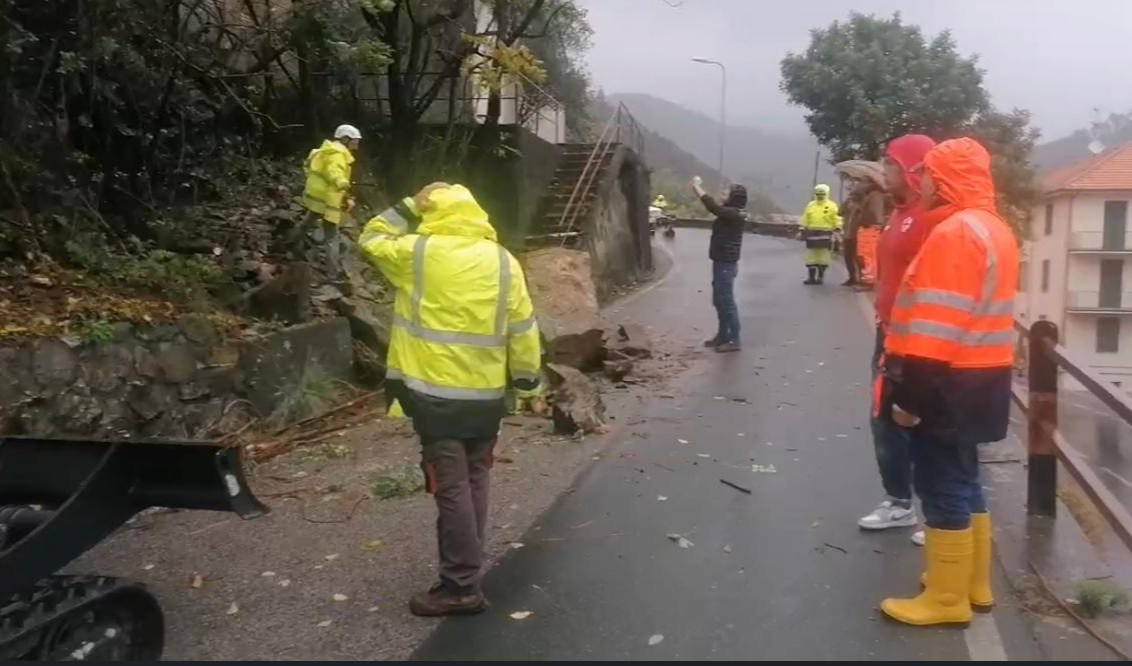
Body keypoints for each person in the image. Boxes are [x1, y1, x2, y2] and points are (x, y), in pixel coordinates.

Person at [358, 182, 543, 617]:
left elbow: (370, 238)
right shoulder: (504, 262)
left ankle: (460, 585)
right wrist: (529, 385)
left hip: (434, 397)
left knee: (452, 487)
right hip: (486, 399)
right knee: (475, 479)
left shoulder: (418, 253)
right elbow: (523, 330)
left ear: (432, 213)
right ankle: (465, 571)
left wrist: (407, 203)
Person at [879, 137, 1018, 626]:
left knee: (941, 487)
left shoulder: (956, 232)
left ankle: (945, 599)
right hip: (982, 379)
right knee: (965, 480)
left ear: (950, 177)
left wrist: (910, 398)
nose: (925, 181)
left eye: (931, 173)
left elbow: (937, 326)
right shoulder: (994, 228)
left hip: (945, 382)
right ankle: (972, 584)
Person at [858, 134, 937, 546]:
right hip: (888, 334)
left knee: (918, 421)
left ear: (911, 169)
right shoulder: (900, 211)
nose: (883, 169)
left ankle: (940, 515)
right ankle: (899, 502)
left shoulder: (930, 217)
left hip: (915, 341)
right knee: (884, 417)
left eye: (890, 163)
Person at [691, 176, 748, 352]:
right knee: (718, 300)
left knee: (726, 301)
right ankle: (722, 335)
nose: (722, 194)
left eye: (726, 192)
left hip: (726, 263)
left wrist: (697, 187)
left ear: (734, 197)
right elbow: (717, 208)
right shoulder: (730, 212)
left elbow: (712, 207)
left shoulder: (733, 214)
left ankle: (734, 339)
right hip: (720, 261)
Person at [300, 124, 362, 279]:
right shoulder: (336, 154)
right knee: (332, 236)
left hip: (318, 196)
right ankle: (333, 273)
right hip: (328, 199)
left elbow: (310, 167)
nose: (357, 144)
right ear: (345, 139)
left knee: (309, 219)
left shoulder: (327, 150)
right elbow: (334, 171)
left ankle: (288, 242)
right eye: (355, 140)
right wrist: (341, 182)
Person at [850, 178, 887, 289]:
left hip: (870, 227)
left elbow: (875, 212)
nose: (860, 184)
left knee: (868, 255)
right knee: (864, 254)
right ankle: (866, 279)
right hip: (867, 227)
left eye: (864, 181)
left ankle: (868, 281)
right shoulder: (869, 195)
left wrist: (876, 222)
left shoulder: (875, 195)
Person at [800, 184, 841, 285]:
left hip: (825, 233)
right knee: (811, 256)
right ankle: (811, 277)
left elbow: (837, 218)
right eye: (818, 194)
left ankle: (820, 277)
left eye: (822, 194)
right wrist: (802, 228)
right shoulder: (811, 205)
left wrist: (837, 228)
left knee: (823, 256)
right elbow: (806, 217)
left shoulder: (832, 206)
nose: (820, 196)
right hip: (811, 233)